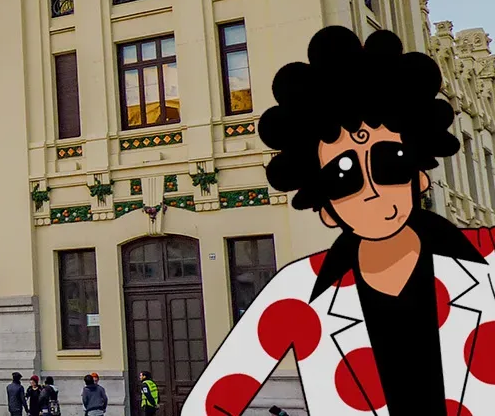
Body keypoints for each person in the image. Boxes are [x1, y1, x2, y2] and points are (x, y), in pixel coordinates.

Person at [184, 26, 495, 415]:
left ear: (418, 177)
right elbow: (210, 402)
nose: (371, 188)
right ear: (327, 208)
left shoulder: (488, 261)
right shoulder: (297, 294)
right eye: (343, 177)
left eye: (389, 163)